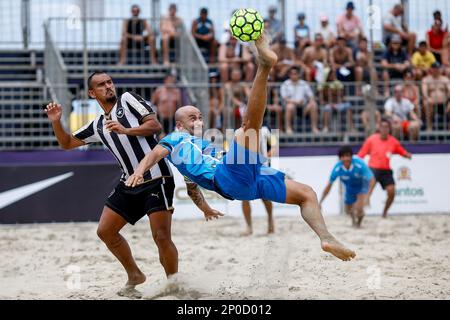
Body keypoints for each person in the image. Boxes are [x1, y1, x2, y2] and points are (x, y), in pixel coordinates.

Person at [126, 35, 356, 262]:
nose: (198, 120)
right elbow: (155, 153)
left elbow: (192, 190)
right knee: (245, 130)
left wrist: (205, 209)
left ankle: (326, 238)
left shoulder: (199, 148)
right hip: (227, 177)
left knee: (307, 194)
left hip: (246, 183)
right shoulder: (175, 138)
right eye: (191, 117)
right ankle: (264, 66)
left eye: (200, 116)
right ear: (179, 124)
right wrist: (139, 171)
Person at [44, 71, 178, 297]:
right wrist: (56, 122)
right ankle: (135, 274)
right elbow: (66, 143)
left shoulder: (128, 99)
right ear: (91, 93)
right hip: (130, 182)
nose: (108, 86)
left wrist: (126, 130)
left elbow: (154, 126)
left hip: (157, 176)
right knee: (105, 231)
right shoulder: (97, 125)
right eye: (101, 85)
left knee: (161, 236)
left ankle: (174, 284)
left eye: (109, 82)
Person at [358, 118, 412, 218]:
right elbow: (361, 154)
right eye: (382, 127)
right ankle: (367, 200)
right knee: (372, 178)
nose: (384, 129)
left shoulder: (393, 141)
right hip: (373, 168)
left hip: (386, 170)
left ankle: (384, 213)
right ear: (379, 128)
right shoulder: (371, 139)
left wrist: (407, 155)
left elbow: (401, 151)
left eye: (386, 127)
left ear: (389, 129)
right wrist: (356, 162)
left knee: (391, 192)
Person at [319, 146, 375, 228]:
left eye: (348, 156)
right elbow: (329, 186)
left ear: (351, 157)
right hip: (349, 187)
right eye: (343, 156)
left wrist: (368, 196)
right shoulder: (337, 168)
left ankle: (358, 223)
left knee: (358, 208)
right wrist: (320, 202)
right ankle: (353, 220)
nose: (346, 159)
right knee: (348, 210)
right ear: (340, 158)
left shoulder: (359, 164)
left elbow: (372, 180)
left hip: (362, 185)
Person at [241, 125, 275, 235]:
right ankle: (249, 227)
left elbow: (275, 145)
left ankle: (270, 221)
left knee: (265, 197)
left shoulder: (265, 130)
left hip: (262, 167)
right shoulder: (242, 130)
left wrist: (267, 156)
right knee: (244, 197)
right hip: (247, 167)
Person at [280, 66, 319, 134]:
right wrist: (296, 102)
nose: (293, 75)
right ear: (289, 75)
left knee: (313, 105)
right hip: (291, 108)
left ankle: (314, 128)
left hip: (303, 108)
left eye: (295, 73)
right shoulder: (285, 84)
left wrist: (311, 101)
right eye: (292, 74)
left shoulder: (304, 83)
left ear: (298, 75)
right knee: (290, 106)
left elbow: (311, 96)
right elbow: (285, 98)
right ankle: (288, 128)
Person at [151, 73, 182, 138]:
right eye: (169, 80)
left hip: (171, 118)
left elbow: (179, 106)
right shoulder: (159, 91)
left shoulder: (177, 92)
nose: (170, 82)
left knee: (171, 136)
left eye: (172, 80)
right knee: (161, 136)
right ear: (165, 81)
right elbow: (153, 103)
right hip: (160, 118)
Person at [421, 62, 450, 130]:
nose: (436, 70)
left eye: (437, 68)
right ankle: (429, 126)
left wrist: (449, 101)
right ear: (431, 69)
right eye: (434, 68)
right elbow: (424, 91)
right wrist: (428, 98)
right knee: (427, 103)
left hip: (444, 104)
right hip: (431, 103)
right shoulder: (426, 79)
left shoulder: (445, 79)